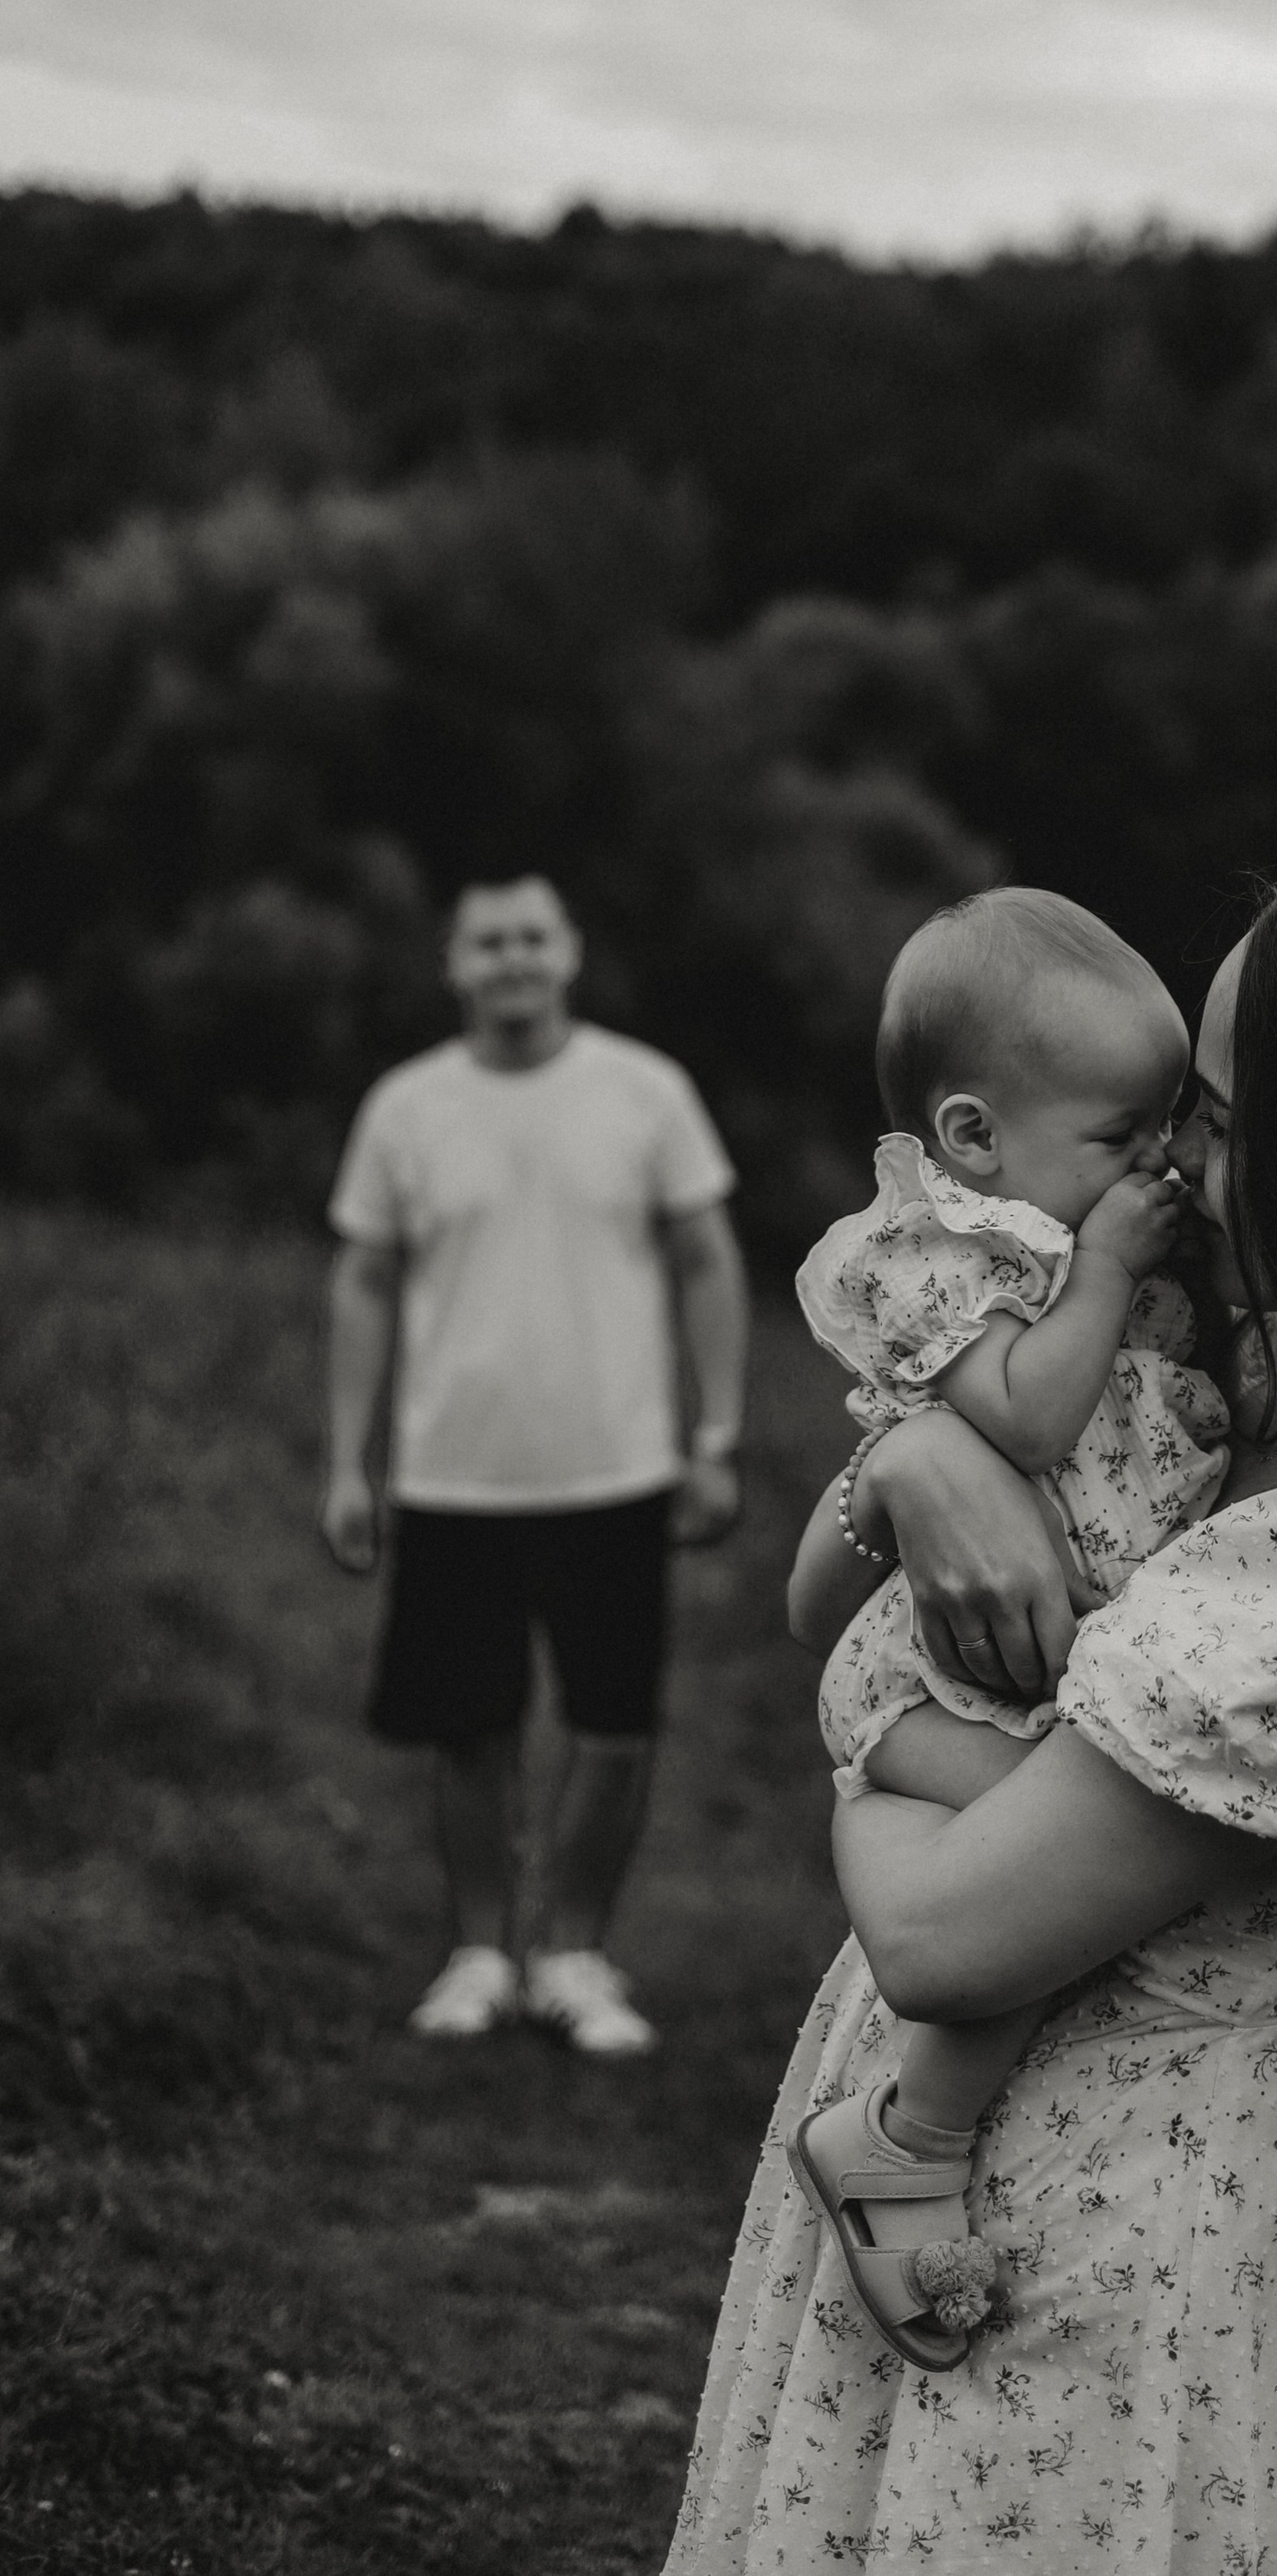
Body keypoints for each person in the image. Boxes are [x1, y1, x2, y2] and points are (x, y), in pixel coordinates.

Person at [663, 863, 1277, 2574]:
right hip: (970, 2160)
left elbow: (943, 1938)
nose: (1169, 1167)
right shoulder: (1222, 1389)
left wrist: (867, 1752)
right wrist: (908, 1461)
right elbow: (813, 1605)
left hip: (1118, 2221)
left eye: (1206, 1117)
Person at [785, 887, 1233, 2353]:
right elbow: (1033, 1428)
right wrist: (1107, 1267)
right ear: (975, 1136)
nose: (1156, 1165)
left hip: (1016, 1675)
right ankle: (914, 2136)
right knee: (1035, 1883)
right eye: (1123, 1136)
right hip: (942, 1682)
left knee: (1045, 1879)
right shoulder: (947, 1263)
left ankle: (913, 2124)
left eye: (1170, 1126)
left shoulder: (1065, 1249)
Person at [321, 874, 749, 2058]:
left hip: (616, 1468)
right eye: (487, 941)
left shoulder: (644, 1091)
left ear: (569, 952)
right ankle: (477, 1955)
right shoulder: (407, 1107)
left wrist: (713, 1437)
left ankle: (573, 1955)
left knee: (613, 1725)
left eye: (532, 937)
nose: (512, 959)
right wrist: (348, 1465)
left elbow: (707, 1260)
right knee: (470, 1726)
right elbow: (360, 1282)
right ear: (455, 964)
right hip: (452, 1472)